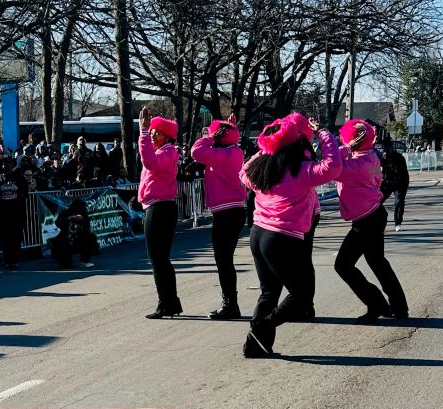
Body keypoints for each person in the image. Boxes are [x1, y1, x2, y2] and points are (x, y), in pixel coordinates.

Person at [239, 113, 341, 358]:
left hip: (258, 234)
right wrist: (323, 133)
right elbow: (332, 165)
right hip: (281, 238)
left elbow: (242, 171)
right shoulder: (303, 170)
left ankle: (256, 346)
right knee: (301, 296)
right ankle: (264, 326)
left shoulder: (263, 169)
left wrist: (267, 146)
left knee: (269, 292)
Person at [334, 120, 409, 322]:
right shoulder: (370, 157)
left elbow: (332, 165)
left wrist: (347, 147)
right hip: (373, 215)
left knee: (343, 265)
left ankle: (377, 304)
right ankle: (398, 306)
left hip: (366, 220)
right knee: (378, 262)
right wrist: (356, 145)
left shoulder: (357, 164)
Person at [190, 114, 247, 320]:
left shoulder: (223, 154)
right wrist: (228, 130)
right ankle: (231, 303)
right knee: (224, 260)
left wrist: (211, 137)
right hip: (232, 210)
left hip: (226, 212)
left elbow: (196, 151)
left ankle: (231, 305)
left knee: (223, 261)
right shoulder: (234, 152)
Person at [137, 105, 183, 319]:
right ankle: (170, 302)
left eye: (158, 133)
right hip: (157, 207)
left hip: (160, 208)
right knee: (161, 259)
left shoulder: (168, 152)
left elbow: (149, 162)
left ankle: (166, 303)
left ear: (168, 137)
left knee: (158, 259)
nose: (153, 135)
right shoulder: (162, 151)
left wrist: (143, 133)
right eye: (152, 132)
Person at [0, 157, 27, 269]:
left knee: (17, 237)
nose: (6, 166)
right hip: (3, 213)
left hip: (17, 212)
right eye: (3, 163)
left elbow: (25, 192)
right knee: (5, 238)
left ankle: (15, 260)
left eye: (9, 163)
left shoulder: (19, 178)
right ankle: (7, 261)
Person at [50, 198, 98, 269]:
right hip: (65, 238)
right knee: (65, 263)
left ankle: (84, 261)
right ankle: (65, 262)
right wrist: (69, 218)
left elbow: (87, 229)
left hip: (78, 239)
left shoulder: (84, 215)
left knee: (91, 237)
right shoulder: (65, 213)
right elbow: (58, 223)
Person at [379, 132, 411, 230]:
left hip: (400, 182)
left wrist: (398, 183)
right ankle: (376, 219)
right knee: (376, 201)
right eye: (384, 149)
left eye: (388, 148)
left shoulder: (399, 158)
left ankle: (398, 222)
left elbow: (403, 174)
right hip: (387, 182)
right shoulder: (382, 158)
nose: (386, 151)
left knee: (399, 201)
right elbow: (378, 171)